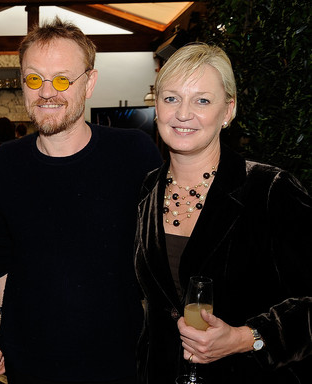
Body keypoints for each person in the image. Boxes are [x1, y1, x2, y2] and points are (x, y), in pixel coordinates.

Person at [0, 17, 162, 384]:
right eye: (35, 79)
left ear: (89, 83)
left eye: (62, 78)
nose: (47, 92)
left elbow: (165, 247)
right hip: (30, 362)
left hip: (120, 359)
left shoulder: (134, 152)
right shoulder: (6, 161)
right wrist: (8, 327)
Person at [134, 43, 312, 384]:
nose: (183, 114)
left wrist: (248, 337)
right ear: (156, 106)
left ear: (228, 110)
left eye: (202, 100)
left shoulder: (271, 190)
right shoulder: (146, 192)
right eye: (171, 98)